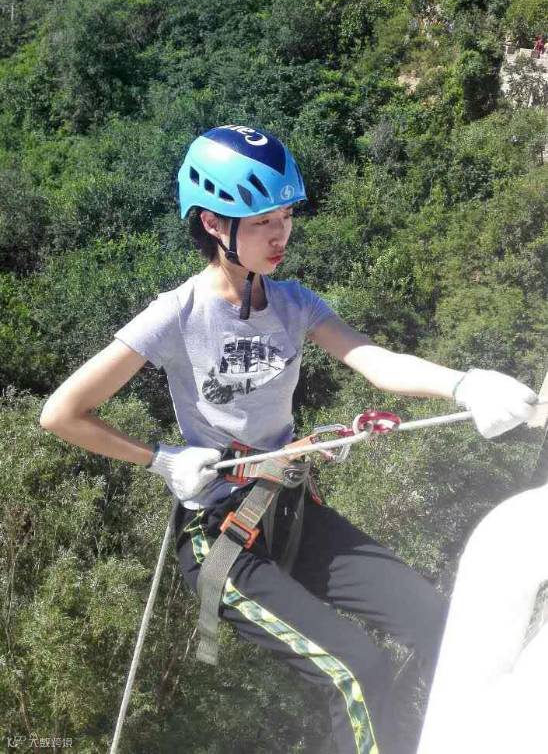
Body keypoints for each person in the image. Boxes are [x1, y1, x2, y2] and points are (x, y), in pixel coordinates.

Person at [40, 124, 538, 754]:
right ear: (214, 225)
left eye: (286, 217)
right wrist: (159, 457)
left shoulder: (293, 303)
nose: (281, 235)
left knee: (440, 624)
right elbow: (63, 412)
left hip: (290, 509)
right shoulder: (177, 314)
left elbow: (374, 361)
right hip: (221, 531)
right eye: (262, 222)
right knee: (356, 668)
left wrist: (463, 384)